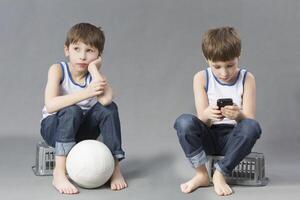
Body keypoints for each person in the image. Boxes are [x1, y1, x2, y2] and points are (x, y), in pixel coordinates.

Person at [40, 23, 127, 194]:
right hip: (55, 129)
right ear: (67, 50)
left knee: (109, 108)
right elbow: (50, 105)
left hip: (80, 133)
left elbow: (107, 100)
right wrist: (86, 93)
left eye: (90, 51)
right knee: (73, 110)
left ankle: (115, 170)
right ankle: (59, 173)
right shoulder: (58, 69)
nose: (82, 56)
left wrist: (94, 70)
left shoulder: (95, 76)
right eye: (77, 49)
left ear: (98, 55)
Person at [174, 26, 262, 196]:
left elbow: (250, 122)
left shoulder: (247, 78)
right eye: (217, 66)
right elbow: (202, 121)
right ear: (207, 59)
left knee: (252, 126)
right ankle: (201, 174)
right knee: (183, 122)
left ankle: (220, 173)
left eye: (230, 65)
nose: (224, 73)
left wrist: (239, 115)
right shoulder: (201, 77)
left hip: (234, 139)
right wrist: (208, 115)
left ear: (239, 56)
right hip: (210, 135)